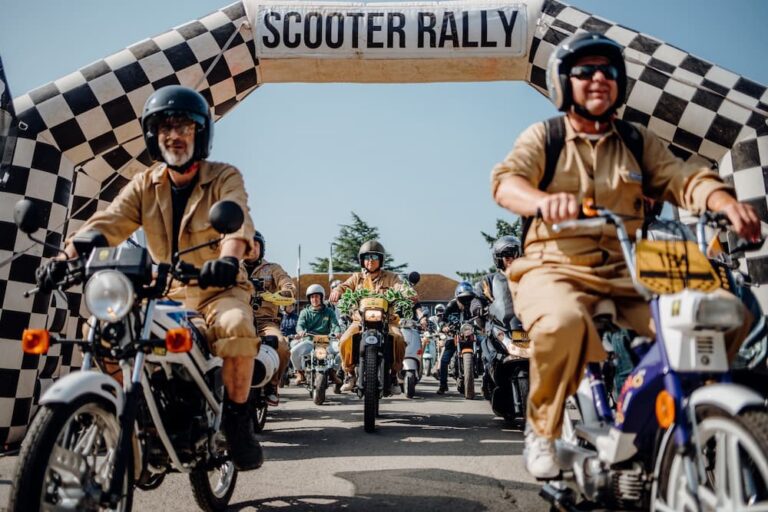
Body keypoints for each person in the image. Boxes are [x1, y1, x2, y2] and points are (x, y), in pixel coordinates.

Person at [491, 32, 760, 479]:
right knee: (563, 324)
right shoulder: (546, 136)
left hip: (629, 266)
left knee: (720, 314)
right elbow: (507, 181)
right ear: (563, 82)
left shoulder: (637, 141)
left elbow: (682, 177)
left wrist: (722, 202)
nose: (599, 77)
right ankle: (543, 429)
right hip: (554, 264)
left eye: (608, 70)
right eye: (585, 70)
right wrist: (540, 202)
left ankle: (688, 413)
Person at [40, 85, 264, 471]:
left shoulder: (224, 177)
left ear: (201, 133)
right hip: (167, 291)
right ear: (153, 136)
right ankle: (130, 410)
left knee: (237, 325)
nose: (174, 135)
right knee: (106, 325)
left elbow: (237, 223)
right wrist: (64, 257)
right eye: (165, 127)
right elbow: (106, 223)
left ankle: (237, 420)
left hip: (219, 289)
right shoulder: (147, 183)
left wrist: (228, 260)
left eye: (184, 127)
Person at [328, 240, 411, 394]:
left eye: (374, 257)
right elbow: (344, 286)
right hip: (360, 321)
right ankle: (350, 374)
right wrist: (337, 291)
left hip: (387, 320)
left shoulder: (391, 277)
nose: (370, 261)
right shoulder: (356, 277)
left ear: (381, 260)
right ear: (362, 260)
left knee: (399, 339)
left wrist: (408, 293)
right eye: (367, 257)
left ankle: (394, 375)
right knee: (344, 340)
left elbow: (401, 287)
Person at [245, 230, 296, 406]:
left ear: (262, 247)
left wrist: (287, 290)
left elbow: (286, 281)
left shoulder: (272, 268)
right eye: (246, 244)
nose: (250, 248)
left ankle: (272, 386)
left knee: (281, 346)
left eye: (255, 244)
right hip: (240, 321)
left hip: (265, 322)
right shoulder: (233, 268)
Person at [290, 283, 341, 385]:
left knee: (343, 350)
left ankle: (333, 371)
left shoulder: (329, 312)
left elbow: (335, 324)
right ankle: (300, 373)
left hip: (326, 340)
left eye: (317, 296)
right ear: (309, 299)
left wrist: (337, 332)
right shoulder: (304, 312)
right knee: (293, 352)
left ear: (321, 297)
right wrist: (300, 331)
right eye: (312, 297)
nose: (314, 299)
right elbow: (300, 325)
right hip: (309, 340)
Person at [436, 282, 482, 394]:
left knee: (486, 348)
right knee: (444, 359)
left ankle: (487, 382)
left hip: (471, 334)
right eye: (463, 298)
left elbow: (481, 315)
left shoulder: (473, 305)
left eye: (468, 298)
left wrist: (482, 323)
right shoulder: (451, 305)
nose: (465, 301)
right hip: (455, 335)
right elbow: (442, 319)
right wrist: (444, 326)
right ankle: (443, 385)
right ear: (457, 297)